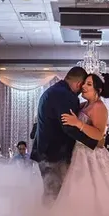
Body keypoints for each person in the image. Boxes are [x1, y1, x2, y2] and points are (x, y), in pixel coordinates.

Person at [56, 72, 109, 216]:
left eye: (89, 84)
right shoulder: (84, 105)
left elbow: (98, 134)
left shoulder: (99, 107)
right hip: (79, 152)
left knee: (95, 190)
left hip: (93, 154)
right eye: (84, 83)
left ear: (98, 90)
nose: (83, 86)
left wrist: (77, 123)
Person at [31, 66, 97, 200]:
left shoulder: (54, 91)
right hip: (54, 154)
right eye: (83, 86)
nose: (82, 90)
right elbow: (68, 127)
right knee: (55, 194)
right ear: (79, 84)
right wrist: (93, 142)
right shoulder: (64, 95)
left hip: (46, 150)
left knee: (52, 192)